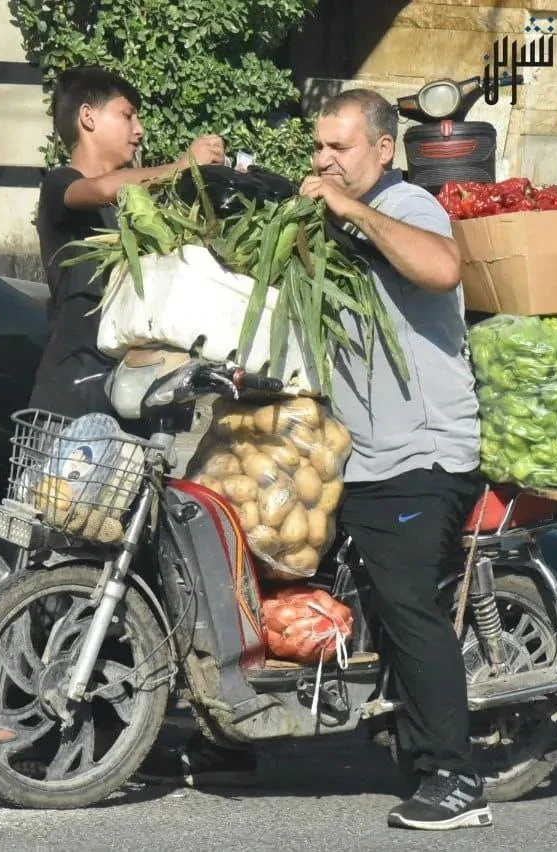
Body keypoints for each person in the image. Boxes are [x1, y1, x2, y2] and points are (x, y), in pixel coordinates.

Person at [143, 89, 489, 832]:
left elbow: (441, 269)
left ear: (383, 149)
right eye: (319, 147)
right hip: (347, 456)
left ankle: (456, 782)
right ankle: (237, 739)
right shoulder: (323, 225)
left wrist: (350, 208)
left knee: (406, 608)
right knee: (269, 580)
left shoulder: (411, 208)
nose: (324, 160)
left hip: (419, 455)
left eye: (340, 147)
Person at [29, 65, 225, 421]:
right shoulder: (61, 184)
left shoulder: (135, 206)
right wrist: (181, 166)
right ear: (88, 117)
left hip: (134, 391)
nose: (139, 130)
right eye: (127, 115)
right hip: (77, 388)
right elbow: (100, 189)